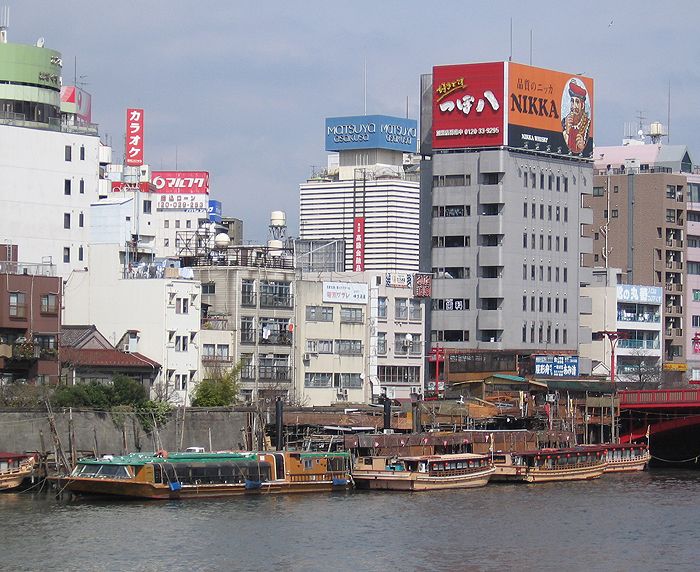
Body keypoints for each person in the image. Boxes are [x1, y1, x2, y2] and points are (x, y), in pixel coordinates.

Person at [562, 79, 591, 154]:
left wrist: (582, 147)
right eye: (572, 101)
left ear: (582, 105)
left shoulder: (588, 125)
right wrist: (567, 133)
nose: (574, 106)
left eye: (577, 102)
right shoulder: (564, 122)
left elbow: (587, 151)